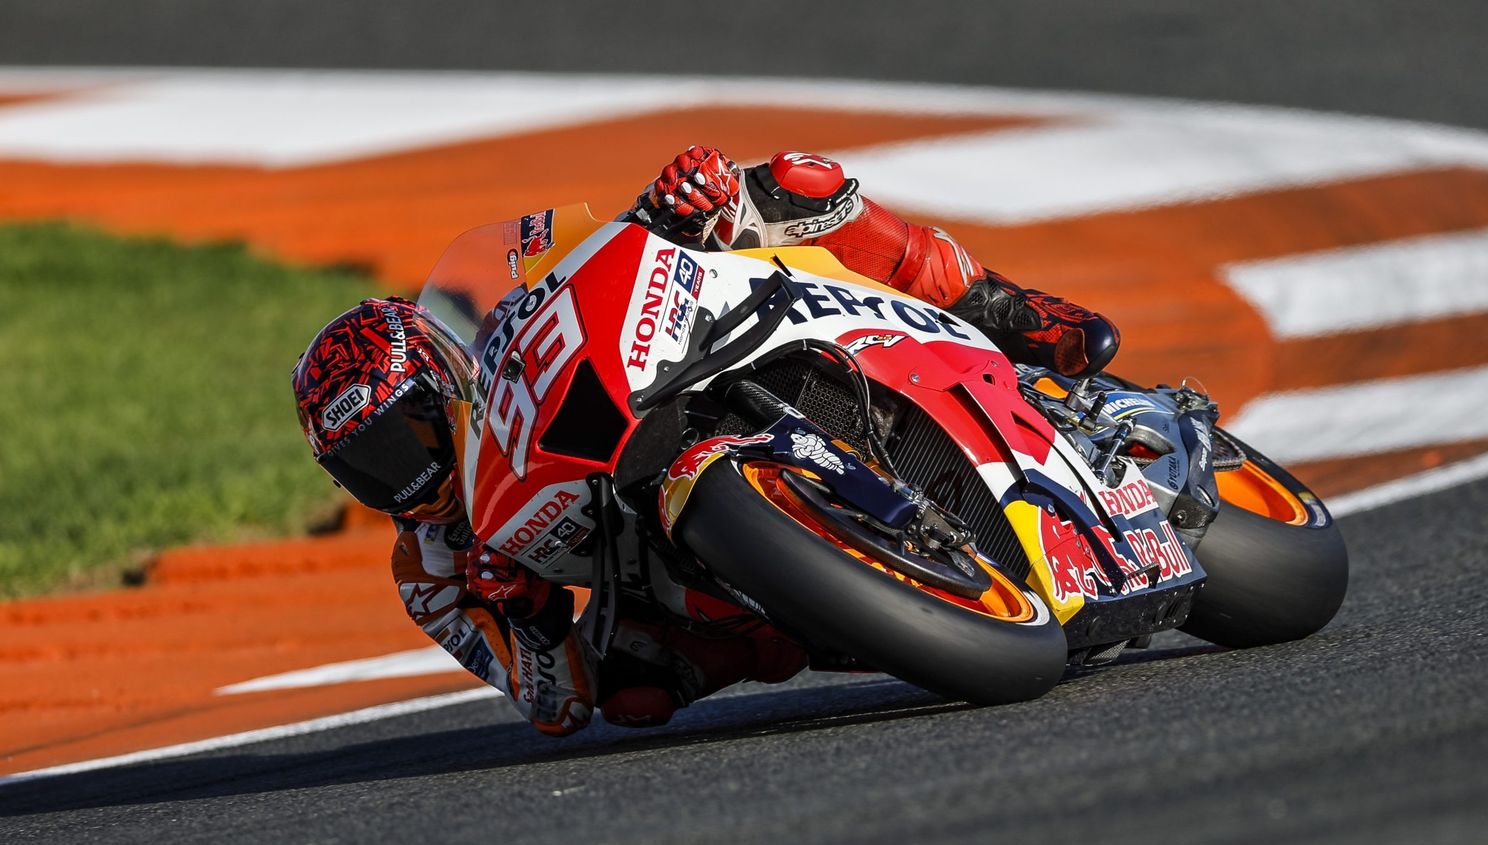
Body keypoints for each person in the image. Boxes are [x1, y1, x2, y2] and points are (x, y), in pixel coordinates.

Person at [291, 146, 1119, 736]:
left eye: (401, 437)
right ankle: (830, 603)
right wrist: (528, 617)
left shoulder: (501, 328)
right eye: (368, 465)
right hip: (654, 555)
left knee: (790, 182)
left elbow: (593, 251)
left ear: (443, 377)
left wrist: (667, 207)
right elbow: (552, 706)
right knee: (633, 693)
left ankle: (1010, 310)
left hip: (684, 355)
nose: (404, 477)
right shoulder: (431, 573)